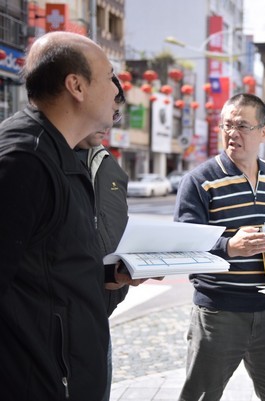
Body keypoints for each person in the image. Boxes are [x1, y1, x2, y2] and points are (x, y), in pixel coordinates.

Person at [0, 31, 120, 400]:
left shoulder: (62, 154)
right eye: (110, 76)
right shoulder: (25, 161)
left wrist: (110, 273)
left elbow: (48, 263)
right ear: (76, 86)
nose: (117, 90)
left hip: (69, 373)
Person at [174, 93, 265, 401]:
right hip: (218, 313)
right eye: (227, 125)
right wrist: (229, 246)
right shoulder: (200, 181)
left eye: (242, 125)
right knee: (201, 396)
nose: (232, 133)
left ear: (263, 133)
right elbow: (183, 243)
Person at [74, 76, 146, 401]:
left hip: (99, 320)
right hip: (50, 327)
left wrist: (120, 272)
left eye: (115, 114)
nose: (109, 121)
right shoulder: (40, 161)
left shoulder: (111, 169)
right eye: (107, 109)